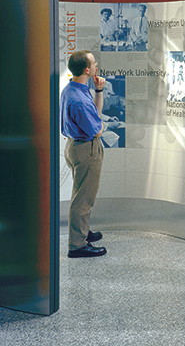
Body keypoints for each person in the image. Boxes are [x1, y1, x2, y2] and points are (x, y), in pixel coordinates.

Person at [60, 50, 107, 258]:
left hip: (74, 146)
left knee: (80, 193)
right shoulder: (79, 99)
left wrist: (99, 91)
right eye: (94, 63)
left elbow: (94, 115)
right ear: (87, 69)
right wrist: (102, 126)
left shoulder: (73, 88)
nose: (97, 66)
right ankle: (77, 245)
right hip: (86, 149)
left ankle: (82, 231)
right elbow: (96, 129)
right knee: (83, 199)